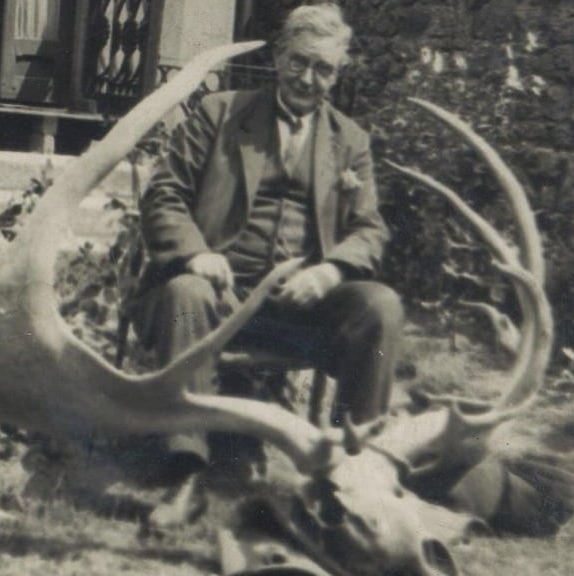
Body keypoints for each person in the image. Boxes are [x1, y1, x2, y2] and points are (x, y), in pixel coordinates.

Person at [131, 3, 404, 528]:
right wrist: (198, 253)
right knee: (186, 292)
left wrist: (330, 271)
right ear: (279, 59)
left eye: (323, 69)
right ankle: (187, 473)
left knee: (380, 307)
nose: (308, 79)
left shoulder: (351, 141)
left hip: (303, 309)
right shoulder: (220, 113)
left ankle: (349, 477)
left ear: (337, 73)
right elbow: (164, 194)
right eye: (300, 62)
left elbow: (370, 230)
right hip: (219, 298)